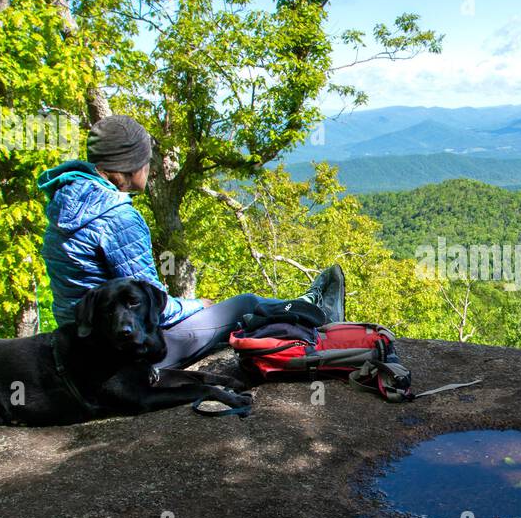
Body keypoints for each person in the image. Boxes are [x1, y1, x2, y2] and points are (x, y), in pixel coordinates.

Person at [38, 114, 345, 371]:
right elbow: (154, 310)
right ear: (132, 164)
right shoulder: (117, 218)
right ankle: (316, 314)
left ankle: (303, 309)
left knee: (228, 315)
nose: (151, 167)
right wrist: (198, 305)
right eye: (147, 159)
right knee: (245, 305)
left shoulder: (66, 203)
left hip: (78, 344)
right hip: (121, 355)